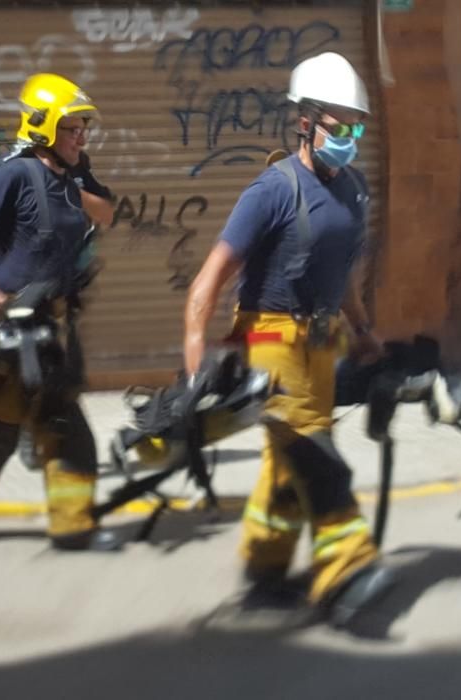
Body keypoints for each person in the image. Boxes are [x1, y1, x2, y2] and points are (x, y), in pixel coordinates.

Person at [183, 52, 395, 627]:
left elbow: (343, 273)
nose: (350, 136)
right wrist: (195, 370)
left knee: (287, 465)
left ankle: (264, 570)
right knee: (317, 459)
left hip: (323, 342)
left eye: (357, 126)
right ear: (304, 121)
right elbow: (206, 284)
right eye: (338, 124)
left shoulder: (353, 189)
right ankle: (346, 573)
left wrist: (364, 332)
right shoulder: (272, 190)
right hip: (270, 339)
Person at [0, 72, 119, 551]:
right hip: (10, 329)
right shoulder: (14, 173)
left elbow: (108, 214)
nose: (81, 136)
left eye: (83, 129)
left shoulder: (72, 176)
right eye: (71, 128)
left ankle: (73, 528)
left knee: (65, 432)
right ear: (43, 128)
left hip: (50, 329)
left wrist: (74, 178)